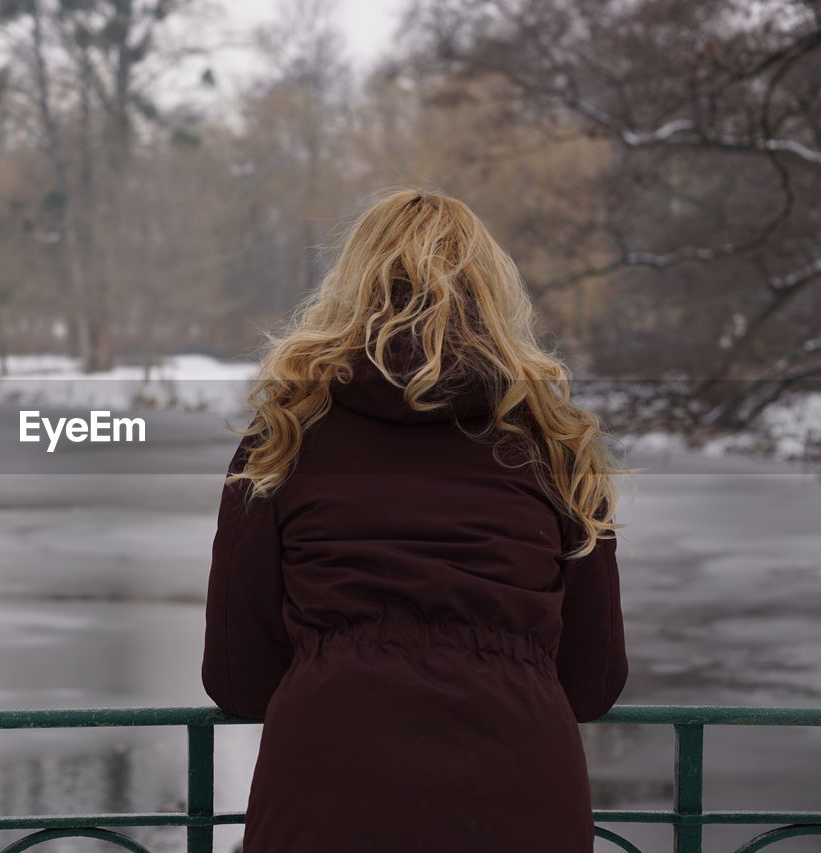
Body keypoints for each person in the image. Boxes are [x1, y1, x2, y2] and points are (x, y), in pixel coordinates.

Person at [200, 187, 632, 852]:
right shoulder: (555, 443)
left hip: (328, 795)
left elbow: (238, 676)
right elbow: (594, 680)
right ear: (493, 295)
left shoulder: (285, 436)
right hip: (519, 798)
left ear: (348, 289)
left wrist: (345, 664)